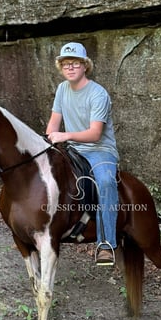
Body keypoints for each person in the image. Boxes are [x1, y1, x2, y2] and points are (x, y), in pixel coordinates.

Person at [45, 42, 119, 266]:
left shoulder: (98, 94)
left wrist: (64, 136)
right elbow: (52, 127)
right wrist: (50, 139)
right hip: (73, 148)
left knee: (105, 181)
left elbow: (95, 134)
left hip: (99, 150)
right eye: (66, 64)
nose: (70, 68)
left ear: (85, 66)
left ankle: (106, 244)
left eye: (75, 63)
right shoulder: (61, 89)